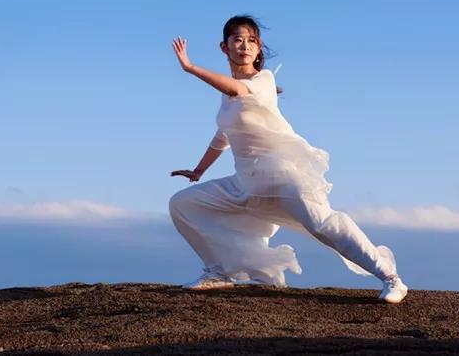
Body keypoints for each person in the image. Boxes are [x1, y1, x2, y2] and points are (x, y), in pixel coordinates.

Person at [169, 15, 409, 303]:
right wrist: (198, 170)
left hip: (282, 175)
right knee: (183, 204)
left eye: (251, 41)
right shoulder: (226, 98)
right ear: (224, 47)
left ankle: (391, 278)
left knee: (323, 225)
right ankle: (219, 272)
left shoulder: (263, 81)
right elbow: (223, 136)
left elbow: (238, 89)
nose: (245, 46)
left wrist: (191, 68)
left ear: (258, 48)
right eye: (238, 39)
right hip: (246, 184)